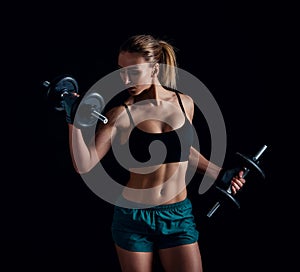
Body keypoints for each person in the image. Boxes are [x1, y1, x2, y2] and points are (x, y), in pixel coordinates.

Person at [63, 34, 246, 272]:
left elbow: (182, 151)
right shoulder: (121, 114)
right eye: (121, 71)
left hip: (178, 216)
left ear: (154, 70)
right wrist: (73, 120)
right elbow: (84, 165)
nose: (125, 79)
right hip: (134, 217)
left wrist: (219, 172)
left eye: (134, 71)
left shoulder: (185, 103)